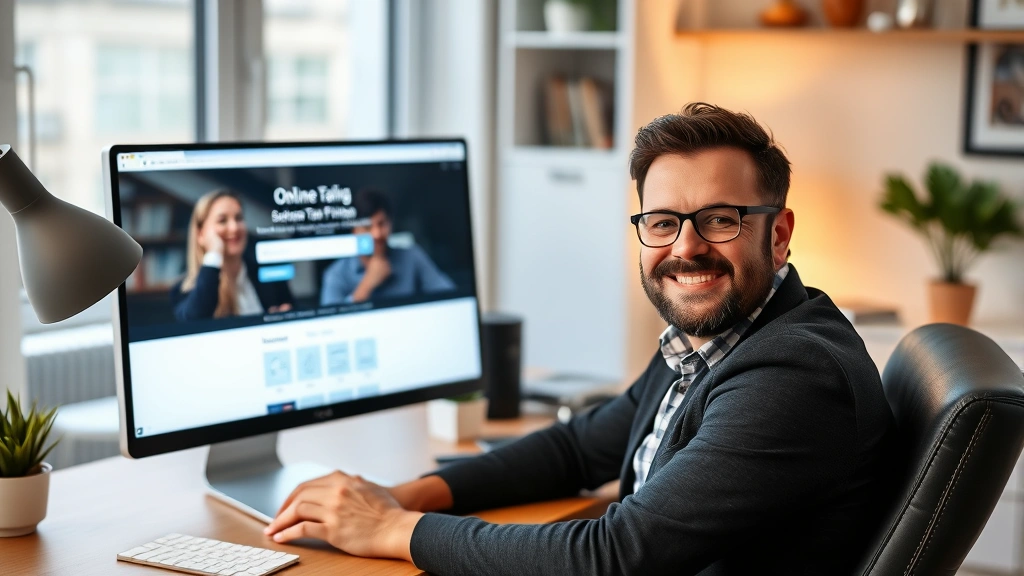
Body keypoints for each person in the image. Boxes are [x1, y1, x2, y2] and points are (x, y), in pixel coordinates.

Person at [263, 104, 896, 574]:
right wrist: (404, 495)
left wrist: (392, 528)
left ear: (778, 234)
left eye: (721, 220)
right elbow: (578, 449)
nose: (686, 247)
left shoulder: (793, 376)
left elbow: (614, 555)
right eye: (663, 222)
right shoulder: (716, 341)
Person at [171, 189, 292, 321]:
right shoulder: (183, 290)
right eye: (222, 221)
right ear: (200, 234)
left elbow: (292, 310)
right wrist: (214, 255)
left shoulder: (266, 272)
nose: (234, 227)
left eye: (239, 218)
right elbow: (194, 322)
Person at [319, 188, 455, 305]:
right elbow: (330, 327)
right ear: (354, 230)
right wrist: (367, 285)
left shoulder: (412, 256)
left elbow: (449, 296)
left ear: (391, 223)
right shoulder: (336, 275)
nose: (377, 234)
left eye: (382, 224)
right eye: (367, 227)